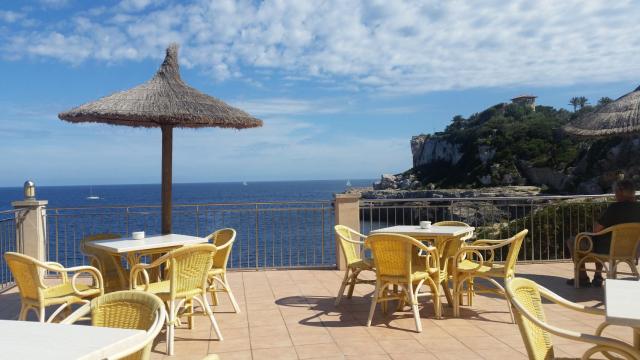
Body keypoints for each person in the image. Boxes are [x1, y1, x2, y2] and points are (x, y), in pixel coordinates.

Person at [566, 179, 640, 287]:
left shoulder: (614, 208)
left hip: (608, 249)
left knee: (574, 241)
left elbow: (596, 230)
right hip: (632, 250)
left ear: (620, 192)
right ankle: (597, 276)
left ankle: (582, 278)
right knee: (599, 239)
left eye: (615, 191)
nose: (614, 194)